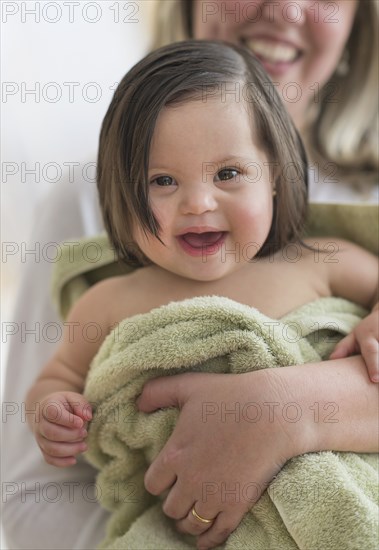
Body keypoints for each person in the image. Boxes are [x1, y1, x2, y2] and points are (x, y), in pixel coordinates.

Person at [2, 1, 378, 549]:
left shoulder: (316, 258)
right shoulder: (109, 298)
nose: (198, 203)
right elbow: (55, 383)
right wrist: (52, 413)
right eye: (161, 182)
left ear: (274, 177)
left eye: (228, 173)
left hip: (332, 495)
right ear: (120, 195)